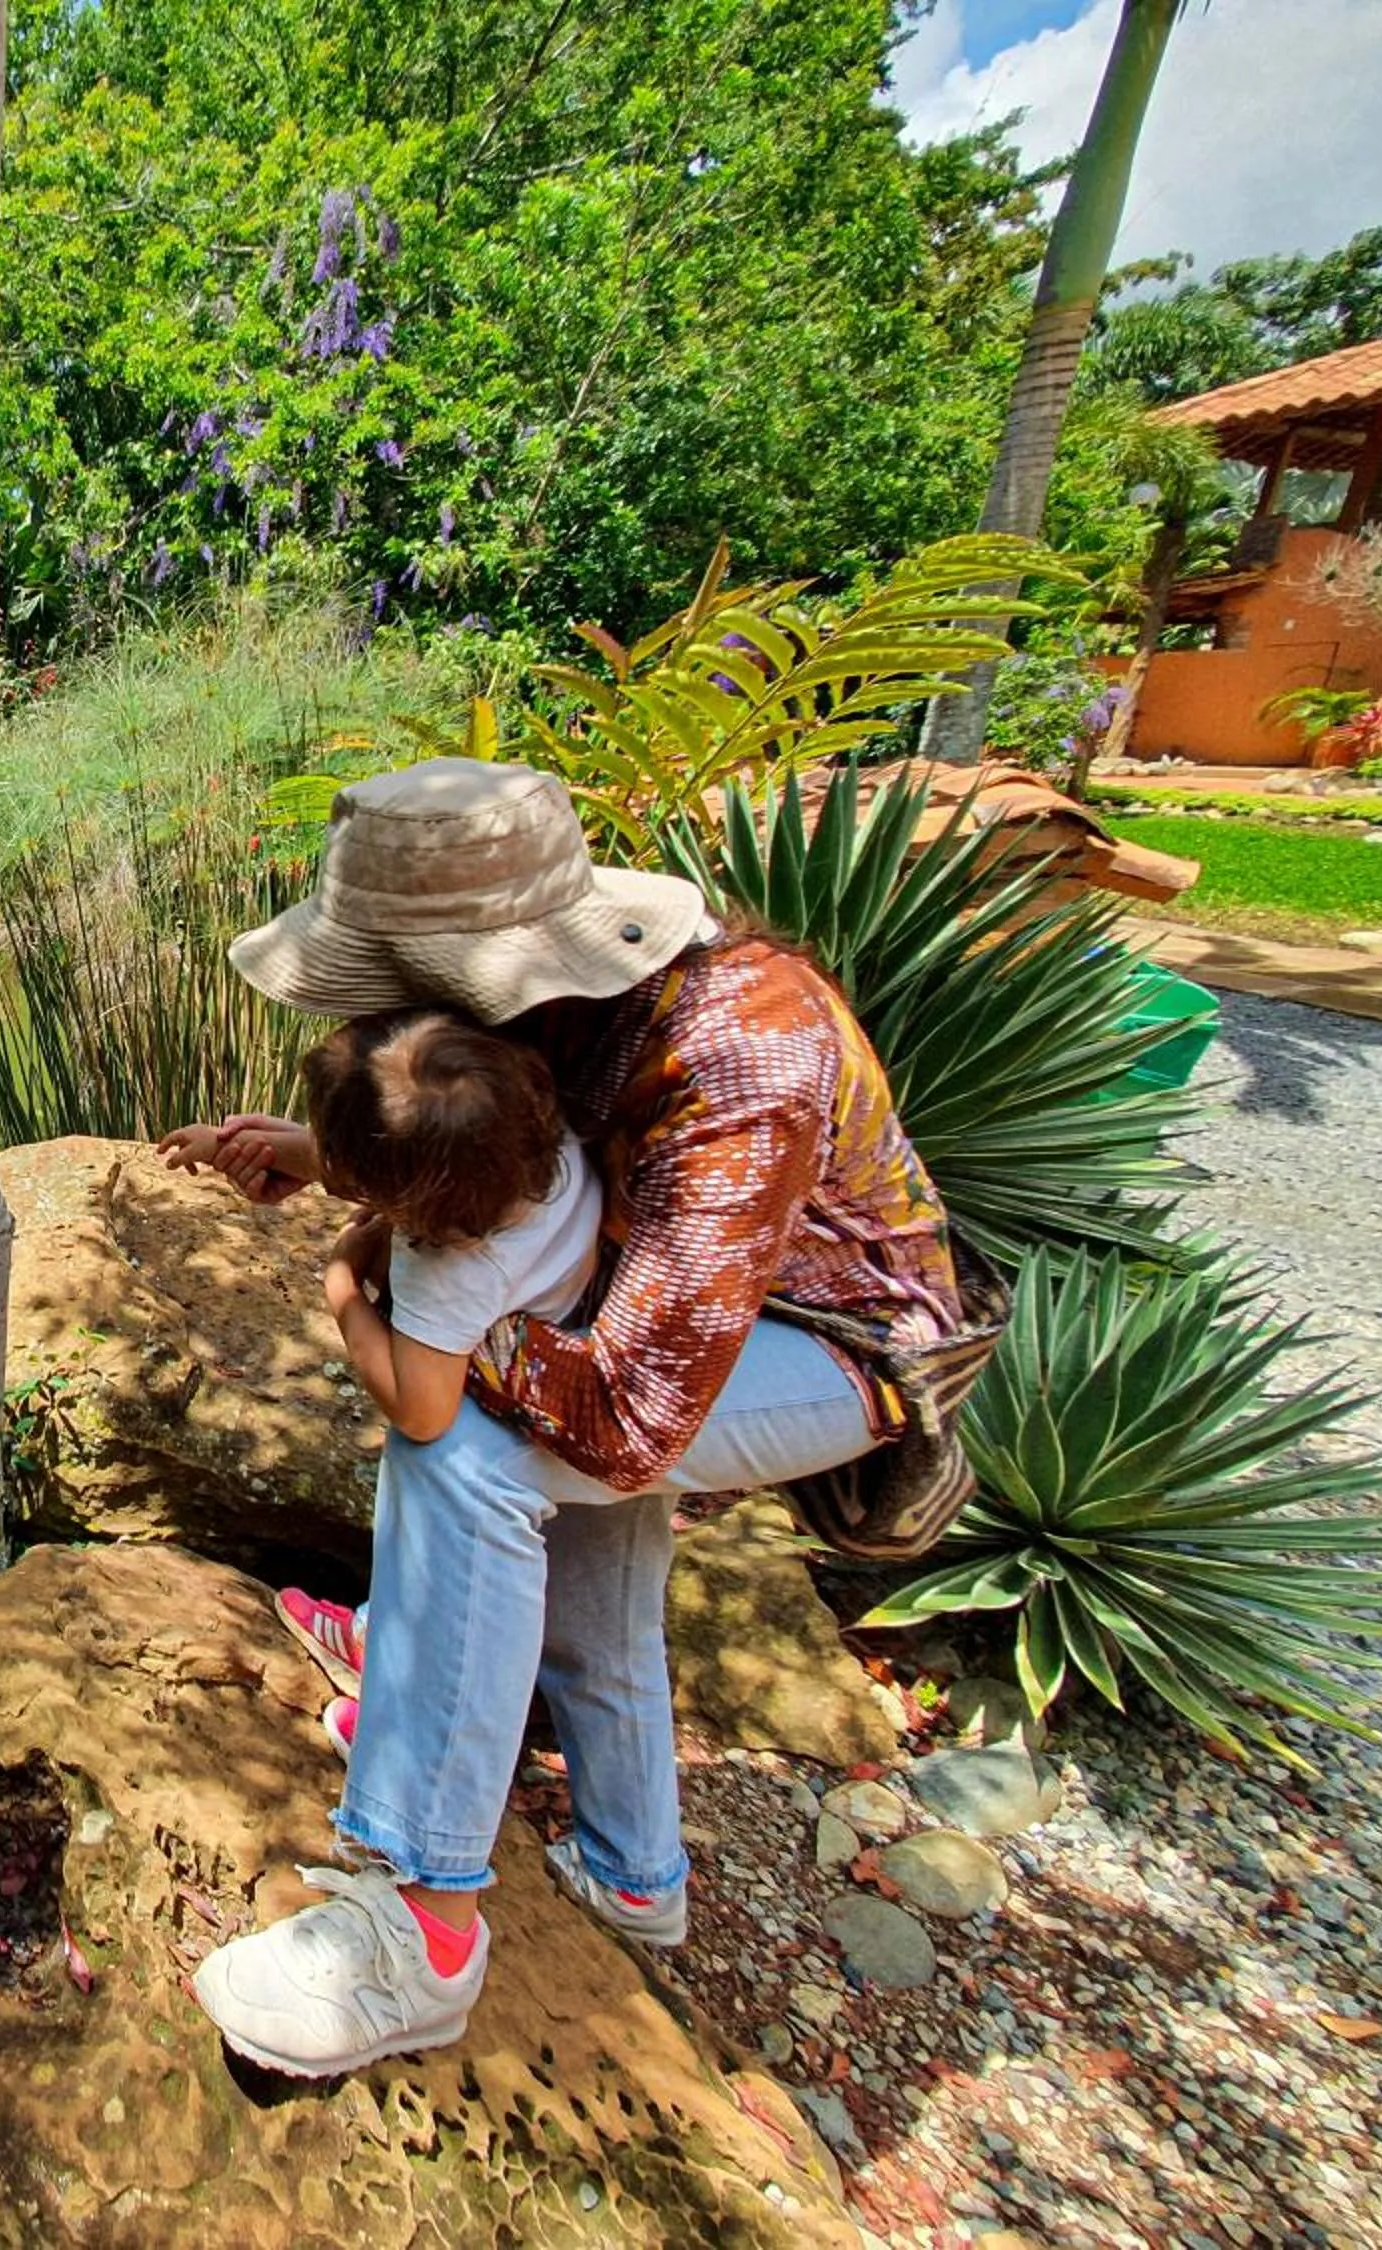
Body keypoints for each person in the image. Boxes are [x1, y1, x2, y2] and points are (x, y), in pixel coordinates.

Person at [165, 758, 965, 2082]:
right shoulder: (571, 1022)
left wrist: (414, 1315)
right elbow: (535, 1185)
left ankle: (420, 1919)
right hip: (667, 1307)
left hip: (836, 1346)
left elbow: (631, 1414)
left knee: (467, 1449)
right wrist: (339, 1162)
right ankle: (632, 1869)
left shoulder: (738, 1055)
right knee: (582, 1546)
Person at [165, 1005, 604, 1755]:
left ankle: (414, 1707)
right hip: (568, 1348)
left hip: (522, 1428)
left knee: (433, 1477)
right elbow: (406, 1149)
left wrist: (343, 1286)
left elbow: (419, 1406)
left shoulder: (451, 1269)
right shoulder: (535, 1146)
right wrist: (267, 1149)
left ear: (404, 1207)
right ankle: (380, 1631)